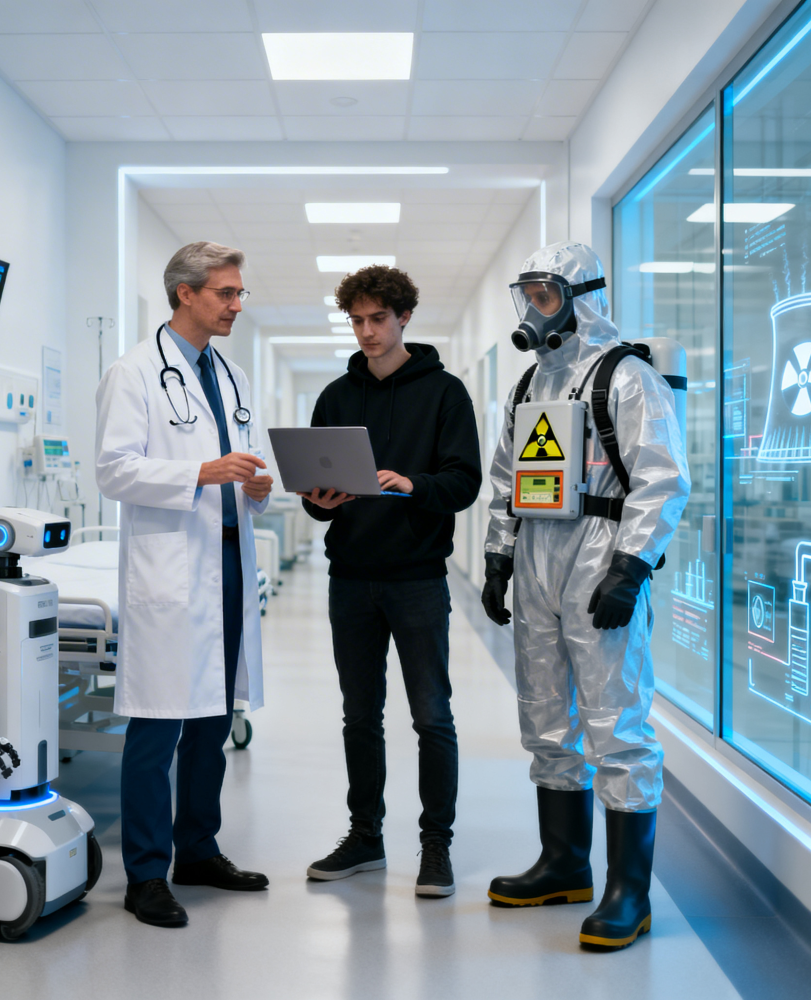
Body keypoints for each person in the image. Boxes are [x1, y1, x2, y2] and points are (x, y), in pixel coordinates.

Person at [481, 242, 689, 949]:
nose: (535, 308)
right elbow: (508, 475)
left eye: (545, 294)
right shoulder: (530, 385)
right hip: (540, 552)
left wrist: (630, 569)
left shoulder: (627, 378)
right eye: (528, 294)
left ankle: (630, 891)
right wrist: (498, 557)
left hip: (600, 555)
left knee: (616, 725)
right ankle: (564, 862)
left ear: (578, 296)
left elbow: (662, 479)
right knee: (544, 715)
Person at [96, 241, 273, 928]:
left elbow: (241, 467)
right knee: (159, 723)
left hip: (227, 561)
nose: (236, 304)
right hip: (171, 569)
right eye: (225, 293)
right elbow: (113, 470)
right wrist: (201, 472)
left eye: (238, 293)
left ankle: (198, 848)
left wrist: (254, 486)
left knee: (212, 718)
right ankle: (145, 873)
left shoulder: (227, 376)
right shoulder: (135, 371)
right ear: (185, 294)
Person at [300, 265, 482, 897]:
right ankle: (365, 837)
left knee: (432, 716)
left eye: (379, 319)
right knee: (360, 717)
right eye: (357, 321)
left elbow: (464, 483)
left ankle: (436, 845)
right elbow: (314, 498)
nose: (368, 331)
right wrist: (321, 501)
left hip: (417, 580)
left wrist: (413, 484)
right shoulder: (335, 397)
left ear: (404, 317)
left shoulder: (445, 393)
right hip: (349, 577)